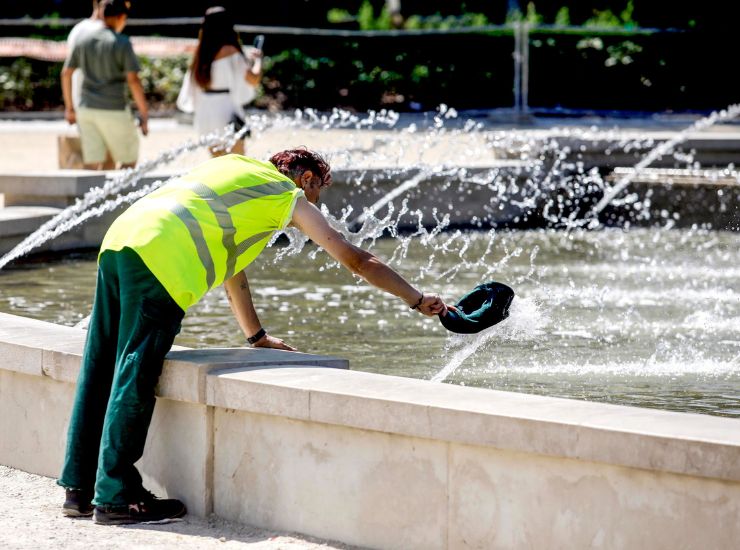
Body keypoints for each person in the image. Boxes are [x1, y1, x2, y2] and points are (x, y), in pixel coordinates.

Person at [58, 148, 449, 525]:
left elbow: (232, 271)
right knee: (136, 371)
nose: (315, 205)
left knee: (101, 362)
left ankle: (77, 487)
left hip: (122, 239)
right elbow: (356, 260)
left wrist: (257, 336)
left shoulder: (234, 169)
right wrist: (415, 299)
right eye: (317, 194)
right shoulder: (286, 195)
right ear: (307, 178)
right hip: (163, 258)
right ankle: (116, 496)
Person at [61, 0, 148, 170]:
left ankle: (91, 197)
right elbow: (133, 81)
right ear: (121, 17)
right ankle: (121, 196)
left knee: (93, 163)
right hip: (114, 108)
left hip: (86, 109)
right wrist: (144, 113)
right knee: (129, 160)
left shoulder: (83, 40)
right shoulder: (122, 43)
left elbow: (66, 74)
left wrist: (70, 107)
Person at [176, 5, 263, 157]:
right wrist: (258, 61)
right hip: (226, 112)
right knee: (238, 163)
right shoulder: (231, 50)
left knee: (218, 165)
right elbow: (253, 79)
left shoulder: (201, 53)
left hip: (205, 113)